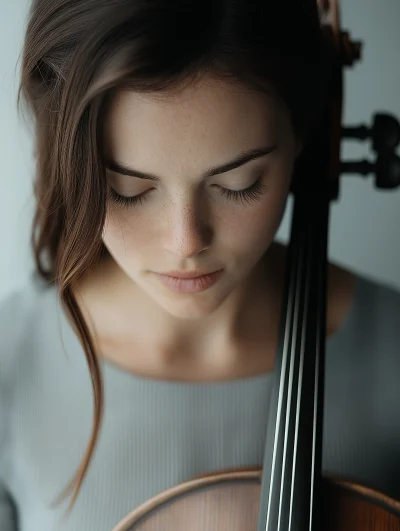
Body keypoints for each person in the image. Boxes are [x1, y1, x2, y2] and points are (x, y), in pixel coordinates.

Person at [1, 0, 399, 529]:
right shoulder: (10, 364)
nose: (185, 241)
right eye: (127, 190)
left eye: (239, 185)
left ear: (304, 135)